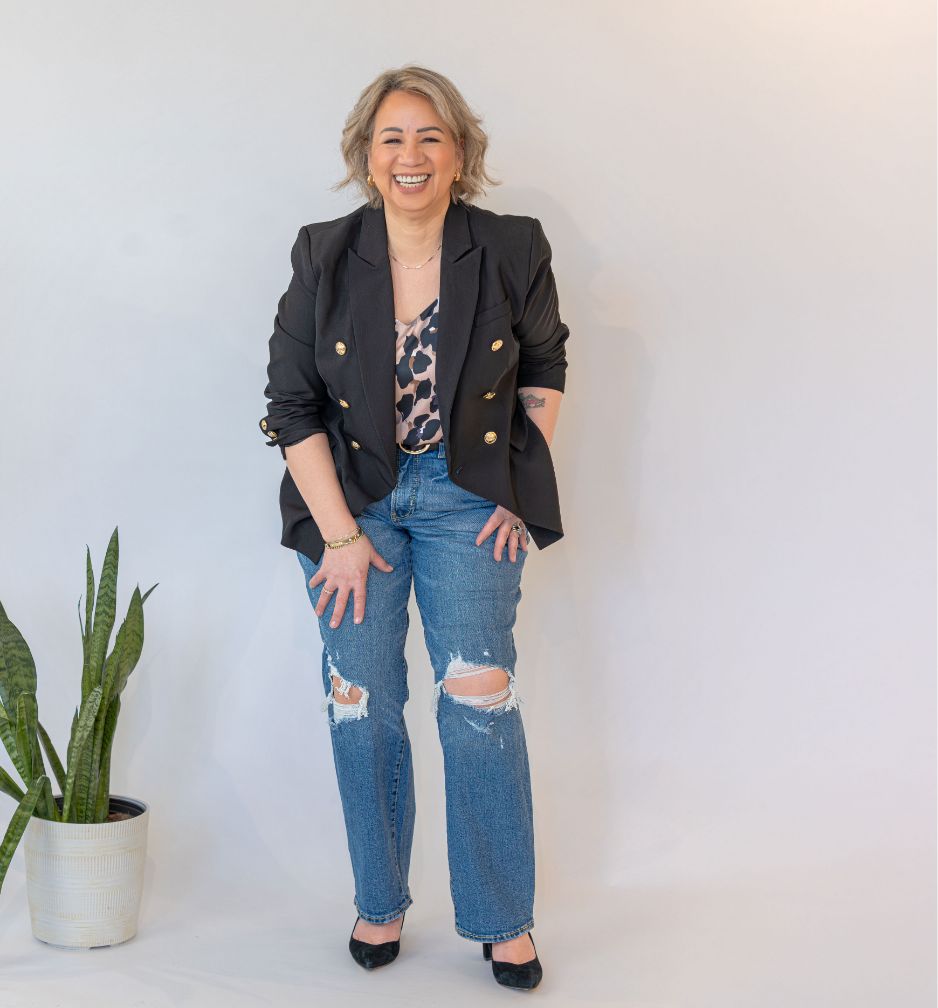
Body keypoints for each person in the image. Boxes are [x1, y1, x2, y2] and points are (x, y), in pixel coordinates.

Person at [259, 64, 569, 991]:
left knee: (478, 698)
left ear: (460, 153)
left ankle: (502, 920)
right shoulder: (324, 252)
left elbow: (545, 365)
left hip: (470, 498)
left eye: (431, 137)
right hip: (350, 502)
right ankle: (380, 901)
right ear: (366, 156)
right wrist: (340, 538)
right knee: (361, 704)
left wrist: (517, 483)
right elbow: (290, 406)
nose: (411, 155)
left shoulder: (510, 245)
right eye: (391, 138)